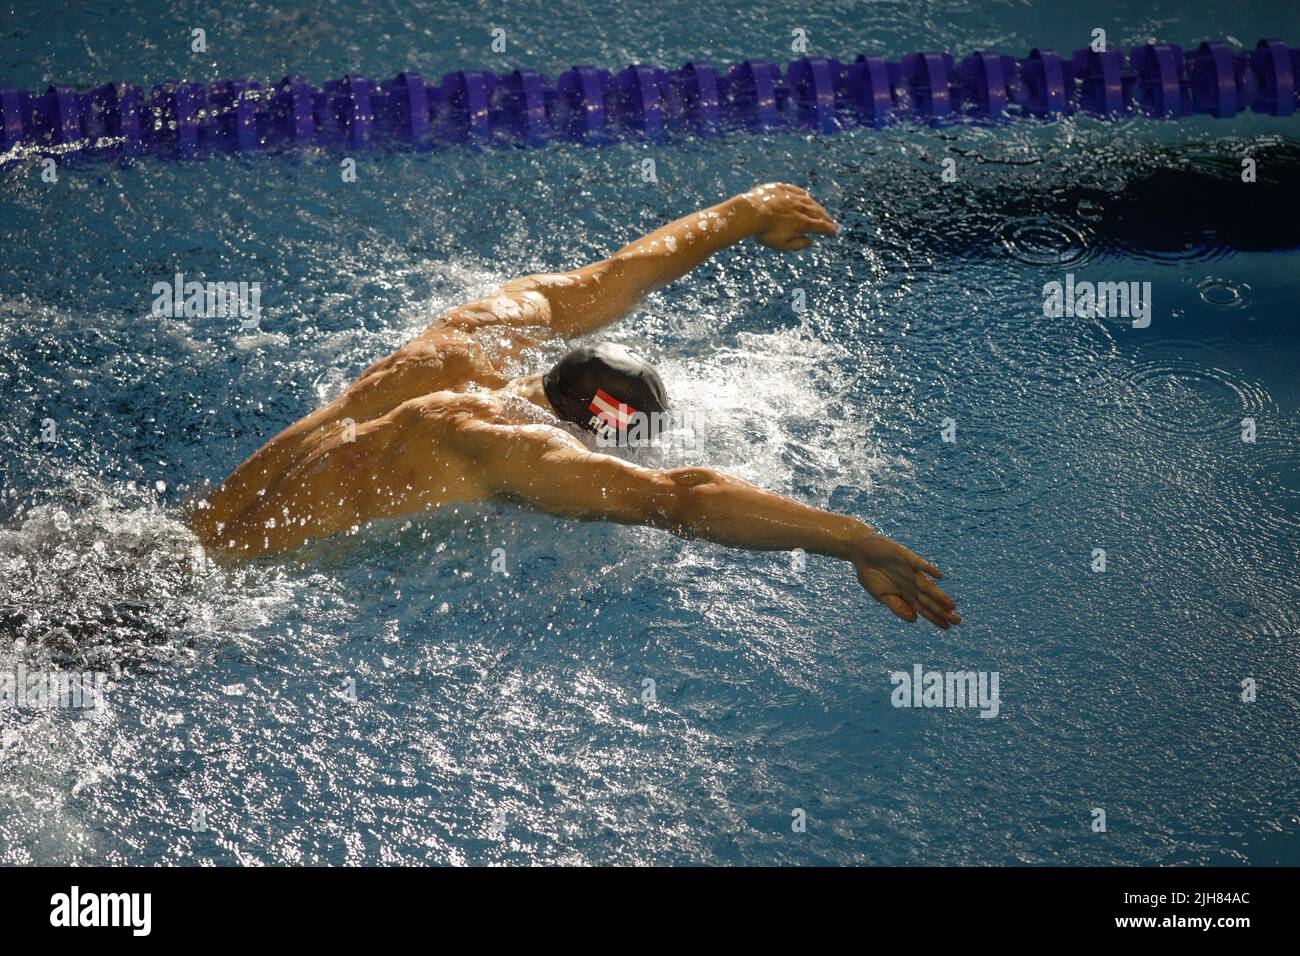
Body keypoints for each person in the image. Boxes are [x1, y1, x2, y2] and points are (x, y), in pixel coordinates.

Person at [189, 183, 960, 629]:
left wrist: (744, 213)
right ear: (593, 435)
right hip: (189, 608)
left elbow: (615, 276)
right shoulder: (504, 445)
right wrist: (855, 540)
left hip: (179, 539)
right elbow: (679, 501)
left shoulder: (467, 343)